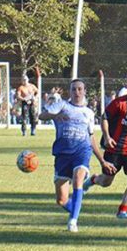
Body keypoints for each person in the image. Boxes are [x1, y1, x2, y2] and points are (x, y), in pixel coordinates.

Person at [39, 79, 115, 233]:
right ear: (70, 91)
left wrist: (102, 161)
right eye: (74, 89)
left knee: (78, 177)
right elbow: (41, 115)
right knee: (62, 200)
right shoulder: (62, 105)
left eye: (80, 89)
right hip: (62, 153)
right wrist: (54, 116)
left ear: (84, 91)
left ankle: (73, 222)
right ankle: (81, 199)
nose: (77, 92)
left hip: (81, 151)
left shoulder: (88, 113)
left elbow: (91, 138)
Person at [83, 74, 127, 220]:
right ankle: (94, 180)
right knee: (106, 182)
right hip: (114, 149)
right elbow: (105, 118)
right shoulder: (119, 103)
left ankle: (122, 211)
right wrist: (107, 137)